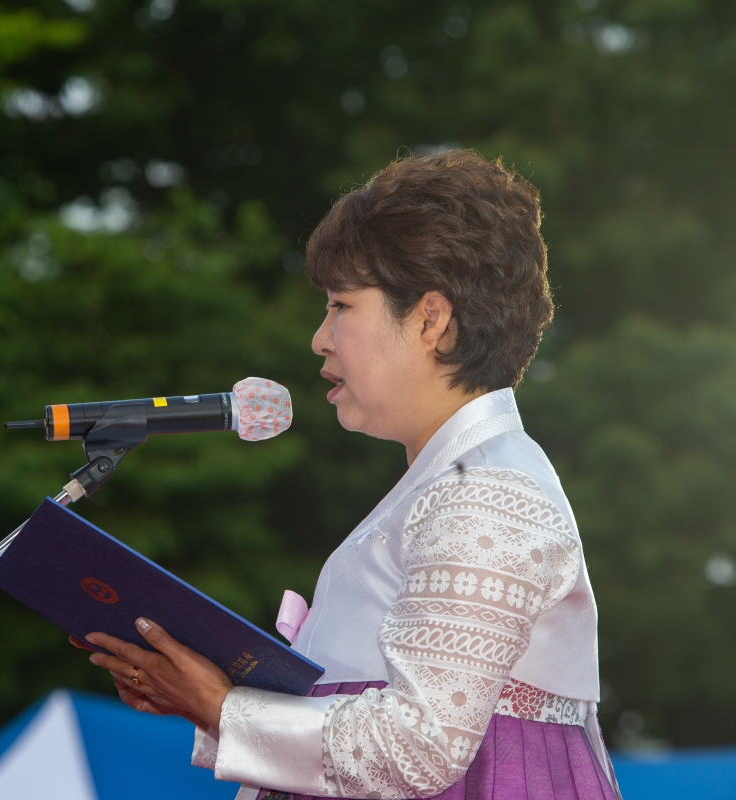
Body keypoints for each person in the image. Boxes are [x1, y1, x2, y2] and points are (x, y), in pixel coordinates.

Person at [74, 150, 620, 800]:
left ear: (430, 318)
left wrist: (224, 709)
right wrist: (206, 698)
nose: (320, 338)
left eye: (340, 305)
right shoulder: (455, 481)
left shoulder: (488, 493)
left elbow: (421, 744)